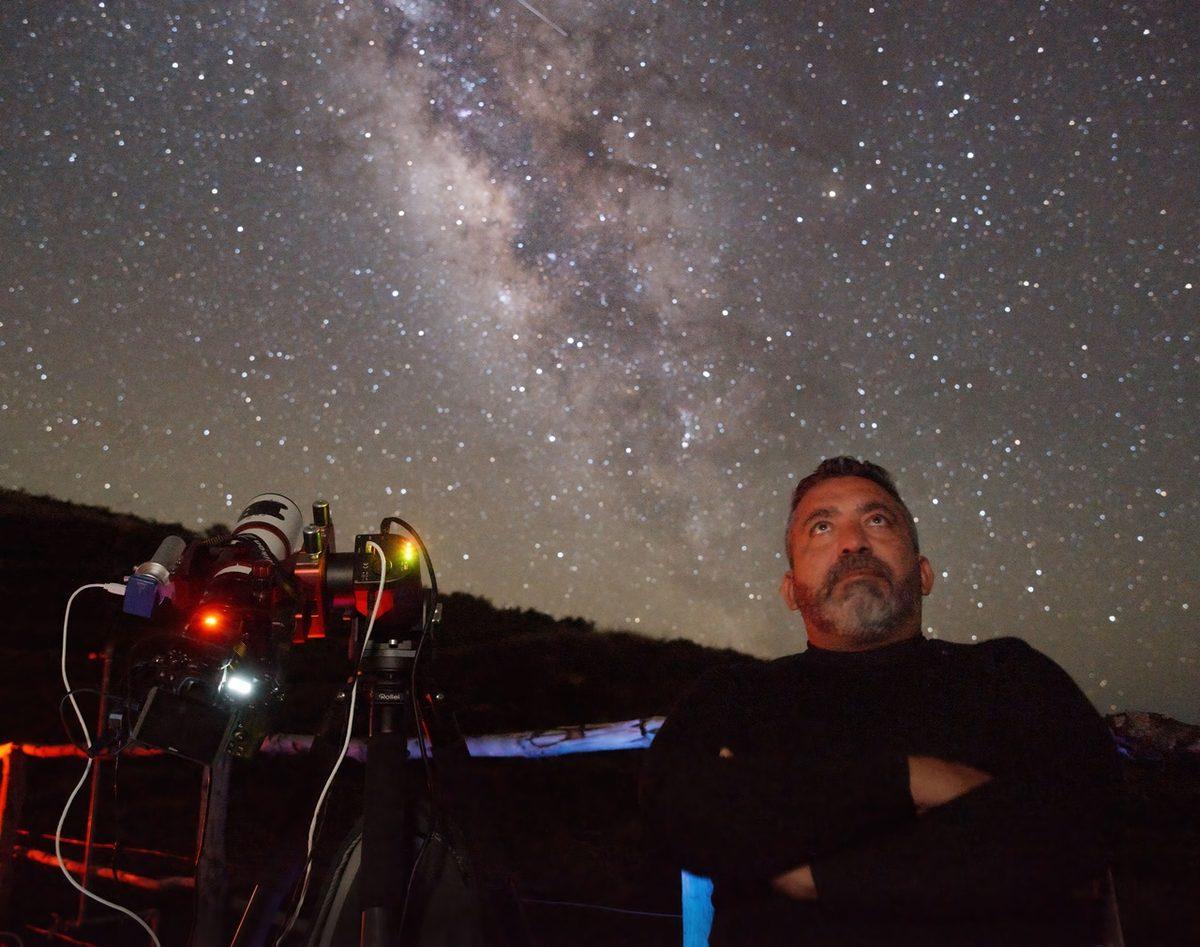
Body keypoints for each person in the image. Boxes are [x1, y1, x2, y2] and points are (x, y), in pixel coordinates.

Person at [641, 456, 1121, 945]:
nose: (853, 542)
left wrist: (819, 875)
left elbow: (1081, 822)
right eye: (822, 527)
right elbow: (679, 813)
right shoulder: (734, 693)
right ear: (791, 590)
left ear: (924, 573)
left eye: (877, 520)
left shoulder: (1008, 673)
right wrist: (919, 780)